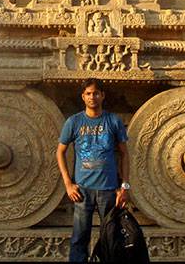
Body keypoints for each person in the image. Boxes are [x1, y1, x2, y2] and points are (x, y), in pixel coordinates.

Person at [56, 78, 130, 263]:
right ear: (83, 96)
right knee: (79, 239)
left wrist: (125, 187)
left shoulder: (113, 121)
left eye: (96, 93)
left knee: (110, 238)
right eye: (88, 93)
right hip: (82, 190)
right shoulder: (74, 122)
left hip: (109, 190)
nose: (92, 97)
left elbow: (124, 154)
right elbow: (60, 152)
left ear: (102, 95)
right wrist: (68, 184)